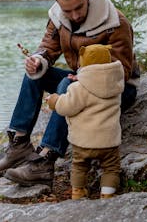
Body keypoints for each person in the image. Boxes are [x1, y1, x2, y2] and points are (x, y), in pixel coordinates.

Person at [0, 0, 139, 186]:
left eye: (79, 7)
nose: (74, 15)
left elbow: (123, 71)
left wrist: (85, 79)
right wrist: (38, 61)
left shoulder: (115, 22)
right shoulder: (59, 17)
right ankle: (19, 144)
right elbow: (48, 49)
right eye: (67, 10)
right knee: (35, 75)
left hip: (119, 88)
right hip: (81, 79)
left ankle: (45, 161)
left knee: (66, 85)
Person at [45, 44, 124, 199]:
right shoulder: (116, 86)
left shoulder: (78, 88)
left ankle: (78, 192)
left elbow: (67, 106)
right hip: (109, 141)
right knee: (111, 168)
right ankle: (107, 194)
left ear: (83, 64)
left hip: (83, 142)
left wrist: (54, 100)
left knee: (79, 166)